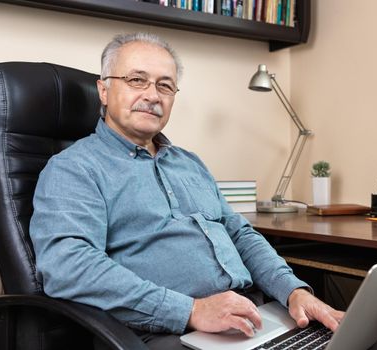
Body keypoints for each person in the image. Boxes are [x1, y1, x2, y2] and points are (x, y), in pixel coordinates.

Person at [29, 32, 344, 349]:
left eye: (165, 85)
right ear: (104, 90)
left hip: (253, 314)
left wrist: (294, 291)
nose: (153, 96)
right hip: (169, 333)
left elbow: (240, 234)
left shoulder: (190, 163)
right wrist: (191, 311)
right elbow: (70, 267)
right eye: (137, 80)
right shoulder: (74, 168)